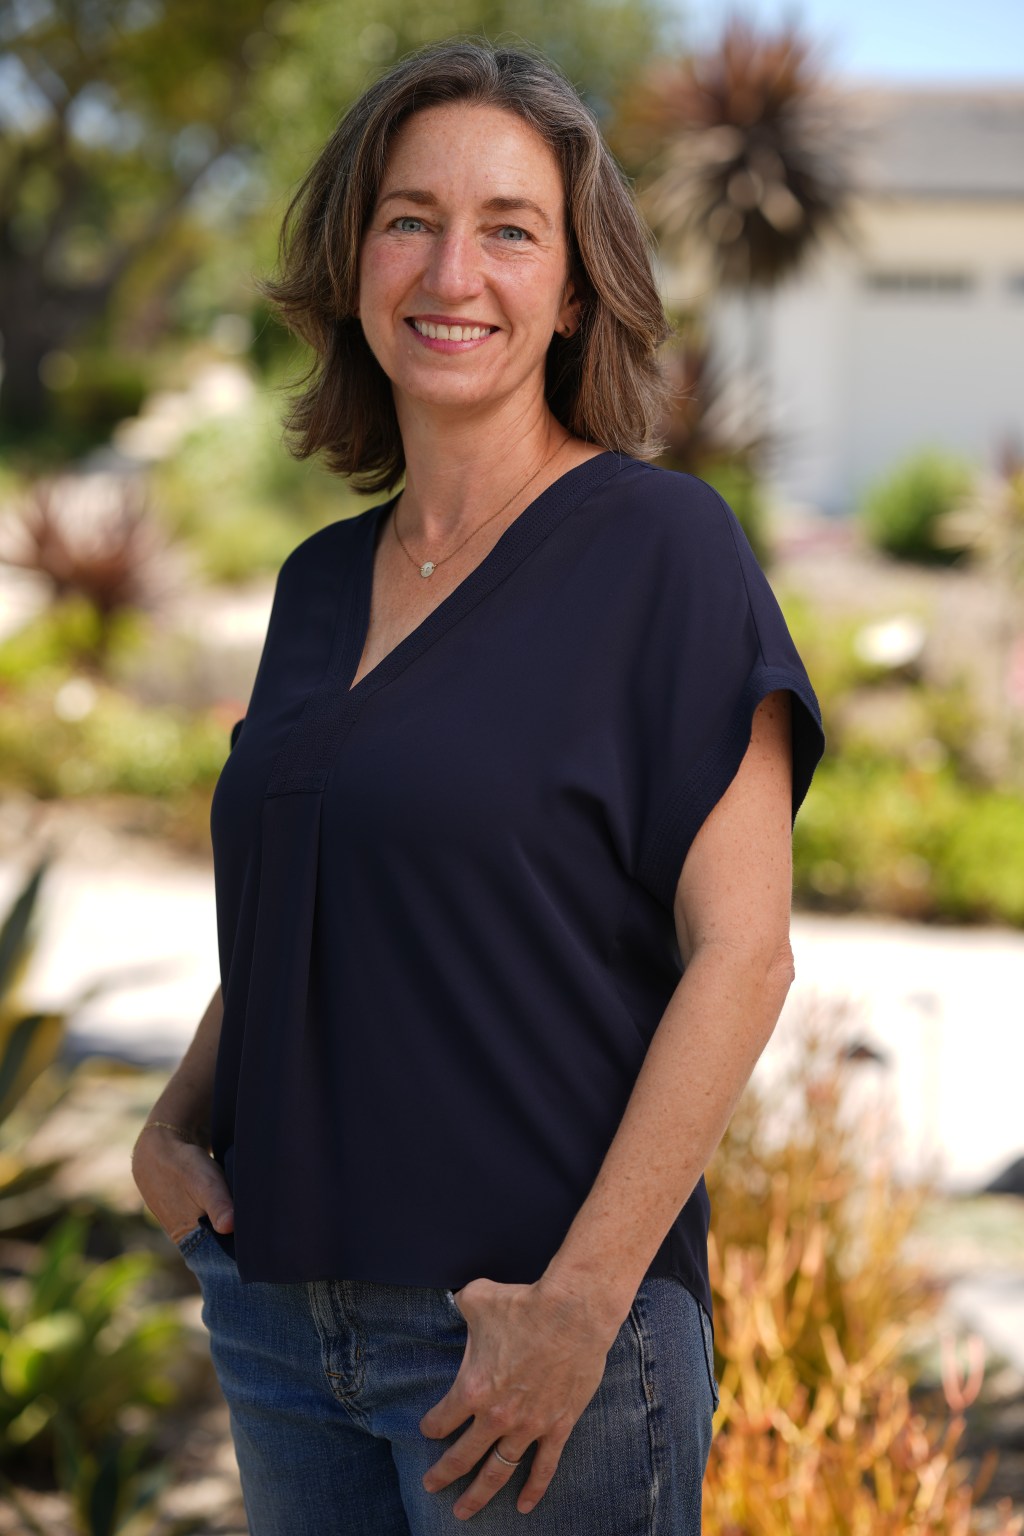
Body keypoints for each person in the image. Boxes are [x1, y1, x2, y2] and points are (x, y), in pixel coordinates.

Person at [131, 37, 825, 1536]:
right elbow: (309, 909)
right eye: (409, 218)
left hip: (529, 1342)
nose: (454, 270)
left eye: (510, 228)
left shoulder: (663, 551)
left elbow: (744, 955)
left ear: (575, 289)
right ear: (356, 256)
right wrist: (173, 1121)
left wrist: (578, 1311)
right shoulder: (319, 586)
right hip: (277, 1324)